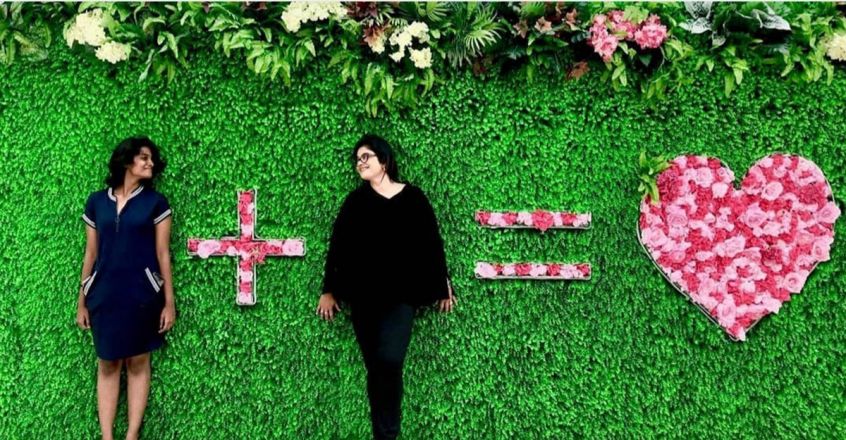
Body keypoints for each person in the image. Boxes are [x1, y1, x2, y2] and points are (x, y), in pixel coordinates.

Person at [317, 134, 456, 440]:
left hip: (401, 297)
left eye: (365, 156)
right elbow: (338, 246)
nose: (360, 163)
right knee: (376, 368)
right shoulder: (355, 202)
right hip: (363, 299)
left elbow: (431, 243)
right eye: (357, 159)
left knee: (390, 361)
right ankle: (384, 434)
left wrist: (442, 284)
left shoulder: (414, 198)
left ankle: (387, 433)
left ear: (384, 159)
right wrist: (329, 290)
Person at [76, 137, 175, 440]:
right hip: (104, 295)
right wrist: (82, 301)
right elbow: (91, 253)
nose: (150, 163)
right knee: (107, 363)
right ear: (127, 160)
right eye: (144, 157)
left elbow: (163, 253)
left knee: (138, 361)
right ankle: (106, 437)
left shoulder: (156, 203)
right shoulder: (96, 202)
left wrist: (169, 302)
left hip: (142, 296)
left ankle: (132, 435)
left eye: (152, 159)